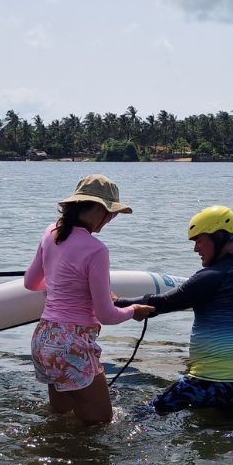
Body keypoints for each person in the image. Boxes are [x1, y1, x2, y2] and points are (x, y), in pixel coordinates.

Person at [114, 205, 233, 417]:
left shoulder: (212, 276)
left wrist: (116, 303)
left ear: (218, 237)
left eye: (199, 240)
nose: (196, 249)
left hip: (205, 385)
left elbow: (161, 304)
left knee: (138, 416)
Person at [23, 174, 154, 423]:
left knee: (62, 420)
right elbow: (106, 315)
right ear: (96, 208)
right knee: (101, 424)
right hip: (72, 343)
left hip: (44, 339)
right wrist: (134, 311)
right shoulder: (96, 250)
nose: (112, 219)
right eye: (111, 212)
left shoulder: (51, 232)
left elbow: (31, 282)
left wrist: (70, 288)